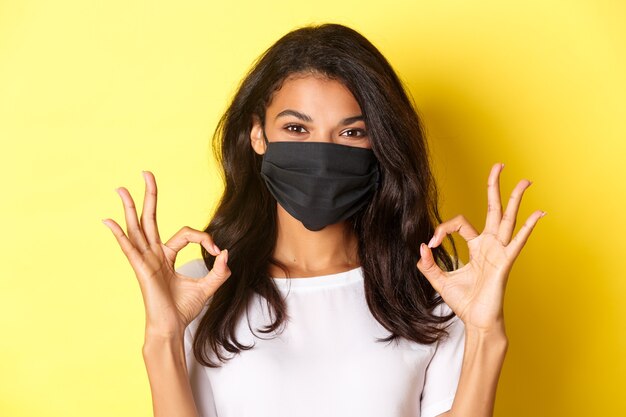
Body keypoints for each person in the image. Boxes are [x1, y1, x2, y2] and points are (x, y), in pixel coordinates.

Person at [102, 23, 545, 417]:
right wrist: (164, 335)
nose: (322, 151)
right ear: (258, 135)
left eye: (351, 133)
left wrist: (486, 332)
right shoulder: (200, 290)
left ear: (379, 145)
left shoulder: (429, 288)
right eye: (297, 129)